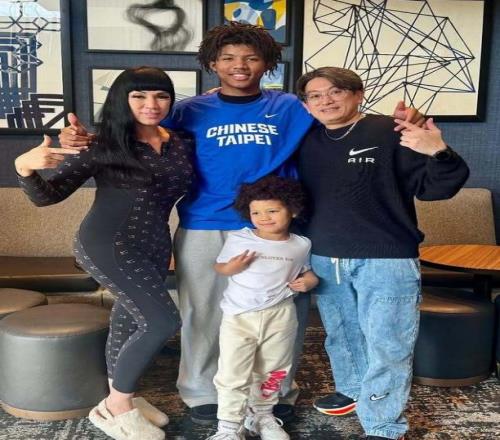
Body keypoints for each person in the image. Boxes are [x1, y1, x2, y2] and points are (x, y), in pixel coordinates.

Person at [58, 22, 422, 425]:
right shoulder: (188, 111)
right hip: (206, 222)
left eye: (251, 57)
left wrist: (408, 121)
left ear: (267, 64)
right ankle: (202, 390)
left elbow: (341, 116)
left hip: (277, 228)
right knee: (204, 314)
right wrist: (82, 139)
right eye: (228, 57)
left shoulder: (291, 107)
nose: (240, 65)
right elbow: (136, 129)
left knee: (282, 316)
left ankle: (275, 391)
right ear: (212, 63)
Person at [15, 67, 194, 440]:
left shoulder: (180, 142)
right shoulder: (103, 145)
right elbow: (48, 197)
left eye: (161, 95)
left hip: (154, 243)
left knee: (128, 318)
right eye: (139, 96)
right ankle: (117, 406)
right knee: (161, 321)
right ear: (121, 100)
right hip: (108, 244)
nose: (151, 104)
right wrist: (25, 167)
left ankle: (122, 396)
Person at [295, 67, 470, 440]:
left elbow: (436, 189)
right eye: (315, 95)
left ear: (358, 94)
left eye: (336, 91)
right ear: (306, 105)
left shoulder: (388, 131)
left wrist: (439, 152)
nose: (326, 100)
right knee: (341, 334)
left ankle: (384, 425)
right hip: (326, 255)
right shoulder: (305, 139)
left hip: (386, 256)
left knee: (388, 342)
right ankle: (354, 390)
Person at [208, 175, 318, 440]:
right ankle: (228, 427)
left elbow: (308, 272)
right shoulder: (240, 238)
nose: (263, 217)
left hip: (281, 316)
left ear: (292, 210)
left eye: (272, 211)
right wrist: (232, 267)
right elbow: (220, 267)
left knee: (274, 369)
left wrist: (309, 282)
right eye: (256, 212)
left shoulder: (301, 244)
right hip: (239, 317)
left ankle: (262, 416)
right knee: (232, 372)